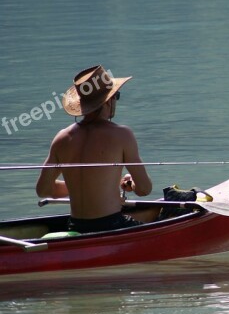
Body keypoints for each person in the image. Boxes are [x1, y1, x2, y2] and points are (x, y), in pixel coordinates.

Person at [35, 65, 154, 233]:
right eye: (116, 96)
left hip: (76, 226)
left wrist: (93, 185)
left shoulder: (61, 138)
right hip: (112, 225)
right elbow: (144, 189)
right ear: (108, 100)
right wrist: (128, 185)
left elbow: (43, 190)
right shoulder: (122, 135)